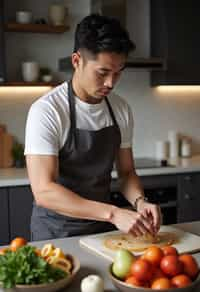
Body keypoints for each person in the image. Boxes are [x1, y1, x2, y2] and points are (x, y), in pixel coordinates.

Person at [25, 14, 161, 241]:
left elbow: (126, 173)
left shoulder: (120, 109)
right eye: (102, 72)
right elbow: (44, 191)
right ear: (77, 61)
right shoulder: (47, 110)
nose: (111, 82)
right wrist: (114, 213)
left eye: (118, 72)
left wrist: (140, 201)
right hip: (56, 232)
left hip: (102, 231)